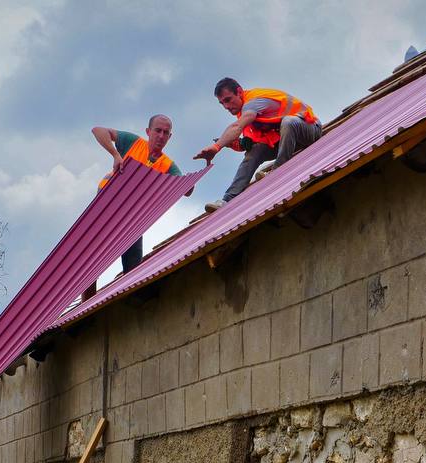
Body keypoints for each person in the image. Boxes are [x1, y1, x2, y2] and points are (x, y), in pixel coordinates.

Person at [83, 116, 187, 299]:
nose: (161, 136)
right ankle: (85, 311)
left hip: (131, 216)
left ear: (169, 137)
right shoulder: (133, 143)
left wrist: (187, 183)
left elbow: (187, 188)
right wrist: (116, 155)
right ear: (148, 132)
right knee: (91, 261)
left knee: (133, 267)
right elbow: (98, 130)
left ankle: (135, 303)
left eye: (166, 133)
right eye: (158, 130)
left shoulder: (167, 165)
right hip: (107, 204)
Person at [194, 78, 322, 211]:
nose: (226, 106)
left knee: (288, 122)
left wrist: (216, 147)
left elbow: (237, 127)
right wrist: (234, 144)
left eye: (228, 100)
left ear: (239, 92)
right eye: (222, 103)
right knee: (255, 151)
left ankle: (277, 172)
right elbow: (249, 143)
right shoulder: (243, 113)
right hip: (288, 141)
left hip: (310, 129)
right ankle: (227, 198)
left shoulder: (253, 102)